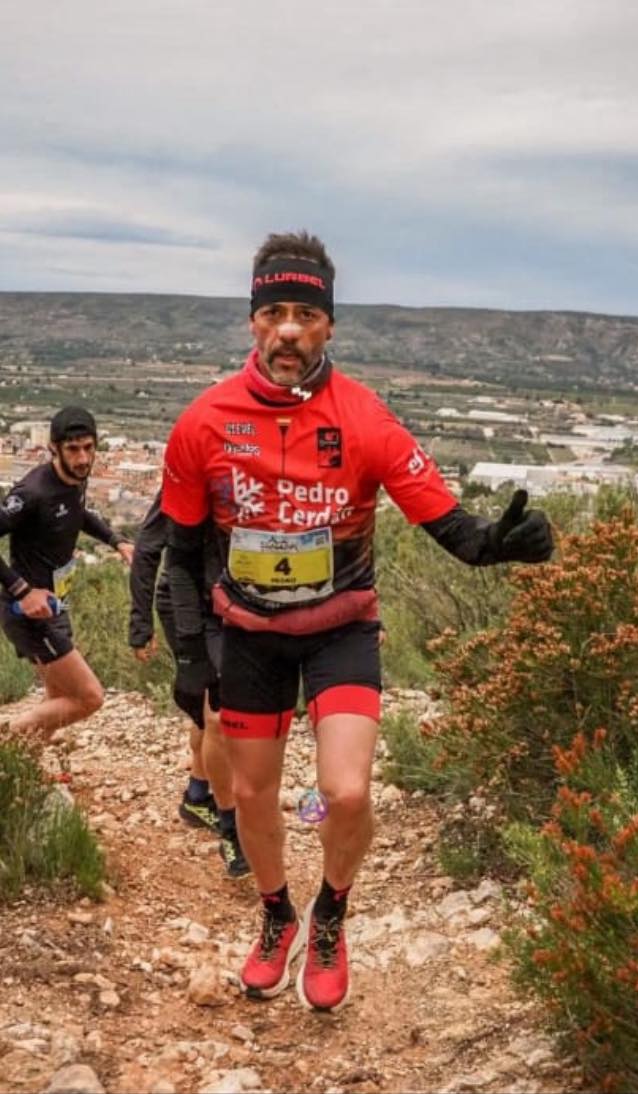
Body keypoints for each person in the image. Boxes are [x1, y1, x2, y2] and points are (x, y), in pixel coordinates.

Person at [160, 231, 553, 1012]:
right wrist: (189, 656)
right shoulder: (203, 423)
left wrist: (499, 546)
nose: (289, 331)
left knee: (344, 793)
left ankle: (331, 913)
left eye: (306, 313)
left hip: (342, 629)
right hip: (249, 638)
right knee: (251, 795)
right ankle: (276, 916)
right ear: (252, 323)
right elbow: (180, 550)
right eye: (273, 312)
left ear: (330, 326)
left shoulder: (365, 418)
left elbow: (453, 527)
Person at [128, 490, 249, 877]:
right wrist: (140, 622)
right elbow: (147, 549)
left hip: (234, 606)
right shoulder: (191, 471)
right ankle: (231, 831)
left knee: (208, 713)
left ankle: (198, 794)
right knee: (216, 715)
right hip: (188, 606)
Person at [0, 406, 134, 741]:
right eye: (73, 449)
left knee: (58, 698)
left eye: (88, 448)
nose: (83, 458)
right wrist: (22, 591)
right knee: (88, 697)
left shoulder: (75, 479)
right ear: (54, 449)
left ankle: (26, 776)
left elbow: (80, 512)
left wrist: (117, 541)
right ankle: (7, 739)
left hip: (56, 603)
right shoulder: (32, 493)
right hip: (28, 612)